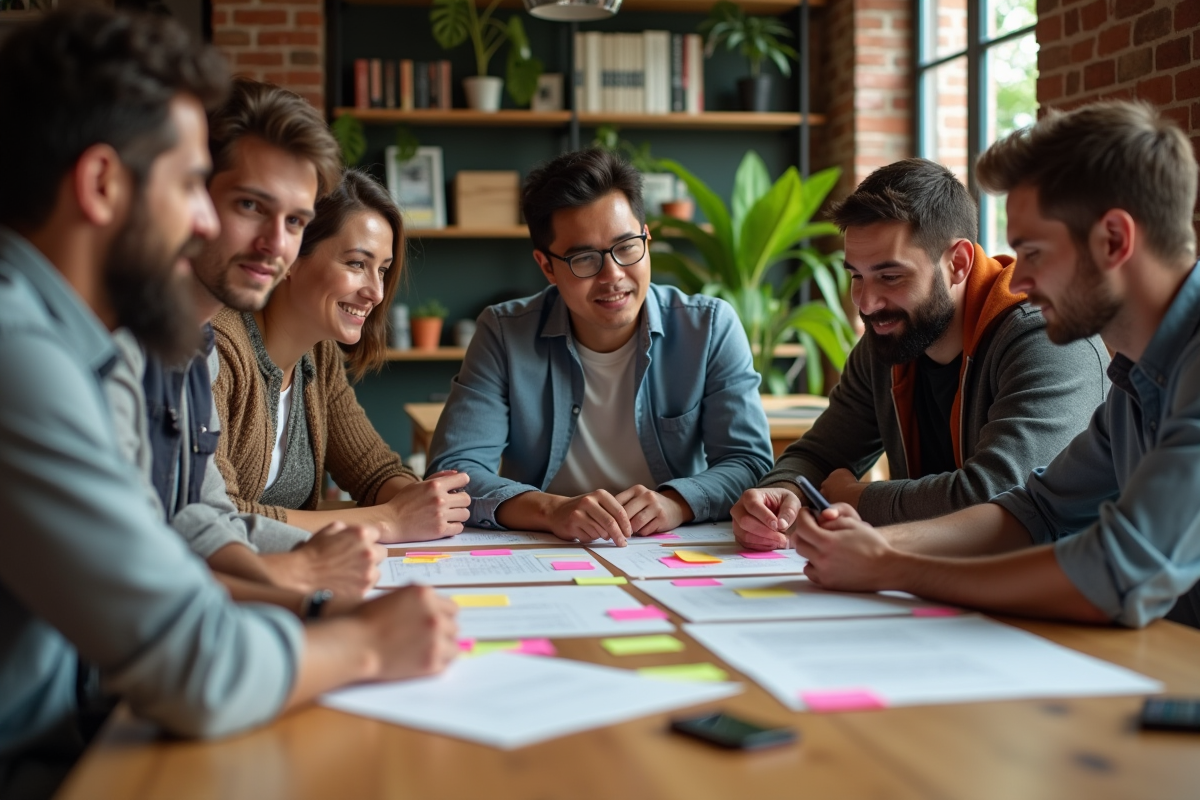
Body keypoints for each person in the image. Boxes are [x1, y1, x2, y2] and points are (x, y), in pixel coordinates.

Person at [0, 12, 456, 798]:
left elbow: (188, 526)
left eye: (296, 221)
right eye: (191, 186)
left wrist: (311, 603)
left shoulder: (95, 340)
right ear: (102, 184)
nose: (206, 221)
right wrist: (366, 643)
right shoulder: (23, 353)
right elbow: (193, 663)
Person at [788, 100, 1200, 629]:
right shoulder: (1137, 380)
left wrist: (892, 565)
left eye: (1033, 252)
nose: (1018, 279)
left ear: (1114, 240)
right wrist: (874, 546)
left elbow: (1114, 572)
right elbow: (1034, 510)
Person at [103, 78, 383, 609]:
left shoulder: (195, 347)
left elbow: (202, 519)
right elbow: (131, 579)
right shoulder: (113, 347)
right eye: (251, 205)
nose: (275, 243)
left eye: (295, 221)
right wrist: (307, 591)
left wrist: (314, 564)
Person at [732, 158, 1110, 550]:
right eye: (856, 275)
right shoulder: (890, 342)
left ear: (958, 263)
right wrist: (783, 493)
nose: (866, 303)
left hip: (1058, 581)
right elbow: (819, 455)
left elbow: (1001, 499)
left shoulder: (1049, 336)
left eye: (890, 276)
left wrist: (860, 500)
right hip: (938, 574)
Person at [427, 148, 774, 546]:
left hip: (668, 546)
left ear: (647, 239)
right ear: (547, 266)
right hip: (545, 544)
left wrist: (675, 503)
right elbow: (454, 474)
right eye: (584, 258)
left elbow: (748, 463)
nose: (613, 275)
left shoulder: (708, 327)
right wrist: (551, 510)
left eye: (626, 247)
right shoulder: (504, 333)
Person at [210, 167, 471, 543]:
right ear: (291, 256)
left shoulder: (318, 355)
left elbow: (373, 472)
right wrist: (389, 521)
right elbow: (217, 519)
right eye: (356, 264)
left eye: (382, 270)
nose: (376, 292)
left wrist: (422, 500)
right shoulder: (218, 348)